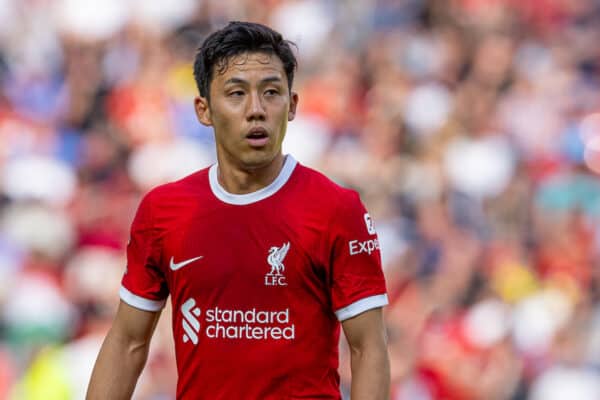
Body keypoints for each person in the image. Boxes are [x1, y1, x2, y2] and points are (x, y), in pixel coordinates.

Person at [87, 21, 390, 399]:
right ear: (204, 110)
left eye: (272, 92)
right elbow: (128, 342)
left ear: (292, 105)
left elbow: (367, 348)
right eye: (236, 93)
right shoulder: (163, 211)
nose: (256, 110)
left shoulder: (337, 209)